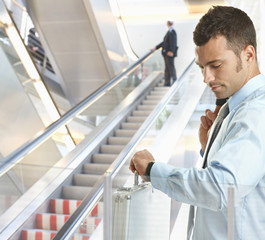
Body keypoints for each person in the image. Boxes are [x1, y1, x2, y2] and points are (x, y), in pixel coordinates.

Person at [130, 6, 265, 239]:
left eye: (216, 65)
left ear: (248, 55)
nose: (206, 78)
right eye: (202, 67)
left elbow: (222, 189)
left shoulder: (256, 112)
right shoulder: (235, 108)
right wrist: (209, 147)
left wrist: (153, 170)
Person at [152, 20, 178, 86]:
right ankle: (167, 82)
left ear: (168, 24)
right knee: (167, 68)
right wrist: (156, 47)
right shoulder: (169, 31)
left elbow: (173, 42)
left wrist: (171, 51)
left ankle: (174, 81)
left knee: (170, 67)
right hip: (166, 53)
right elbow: (164, 42)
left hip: (169, 53)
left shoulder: (172, 31)